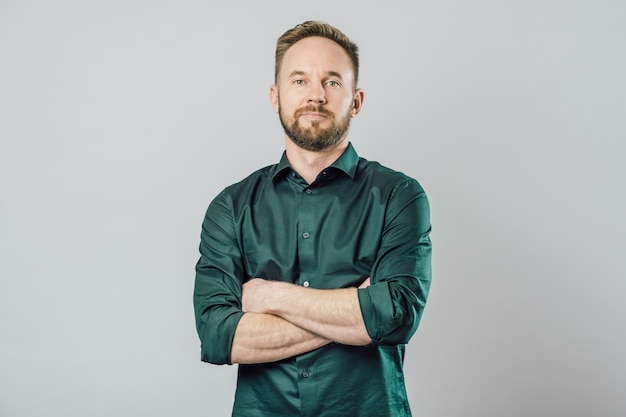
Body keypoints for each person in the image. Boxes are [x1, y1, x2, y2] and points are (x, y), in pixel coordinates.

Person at [194, 20, 432, 417]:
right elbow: (220, 337)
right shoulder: (231, 207)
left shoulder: (399, 196)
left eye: (332, 82)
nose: (316, 96)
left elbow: (395, 316)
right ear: (275, 96)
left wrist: (270, 297)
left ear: (355, 101)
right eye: (300, 80)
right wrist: (355, 312)